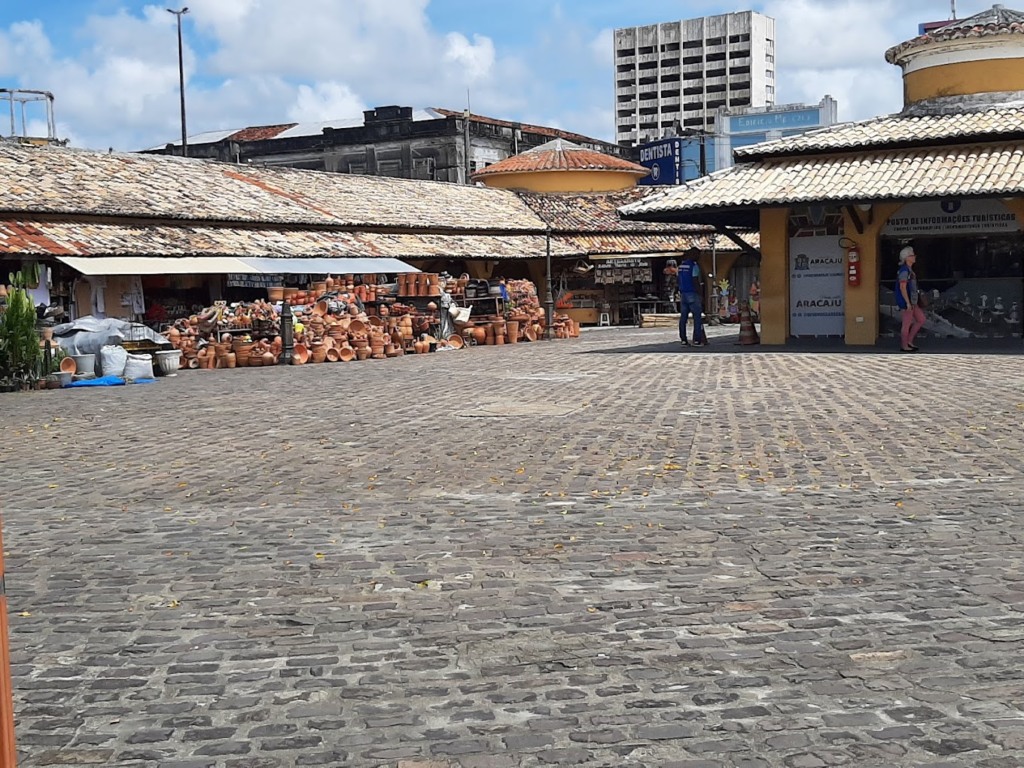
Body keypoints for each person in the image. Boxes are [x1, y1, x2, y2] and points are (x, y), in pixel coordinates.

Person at [896, 245, 925, 352]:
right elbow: (902, 287)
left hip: (912, 301)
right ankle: (904, 345)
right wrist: (907, 302)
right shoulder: (905, 271)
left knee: (921, 319)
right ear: (907, 258)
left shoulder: (908, 270)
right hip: (908, 302)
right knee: (906, 324)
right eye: (912, 255)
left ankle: (909, 341)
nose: (914, 257)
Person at [677, 247, 705, 346]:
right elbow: (695, 281)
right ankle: (697, 340)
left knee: (683, 318)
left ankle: (683, 339)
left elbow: (678, 280)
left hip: (683, 294)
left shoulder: (681, 266)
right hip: (693, 293)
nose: (699, 257)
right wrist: (700, 294)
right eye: (698, 255)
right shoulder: (694, 266)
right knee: (697, 318)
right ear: (693, 255)